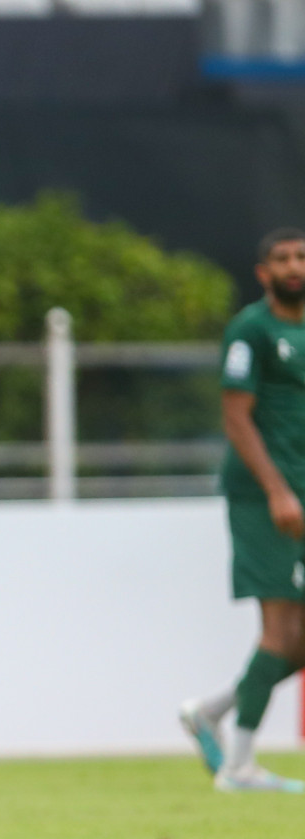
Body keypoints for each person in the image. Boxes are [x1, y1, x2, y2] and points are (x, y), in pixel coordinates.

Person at [180, 227, 305, 793]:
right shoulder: (250, 330)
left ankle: (211, 710)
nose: (294, 266)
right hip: (265, 496)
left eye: (302, 256)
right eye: (282, 258)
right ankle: (240, 766)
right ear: (263, 273)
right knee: (279, 631)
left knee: (298, 639)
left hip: (299, 490)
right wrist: (278, 490)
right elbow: (237, 417)